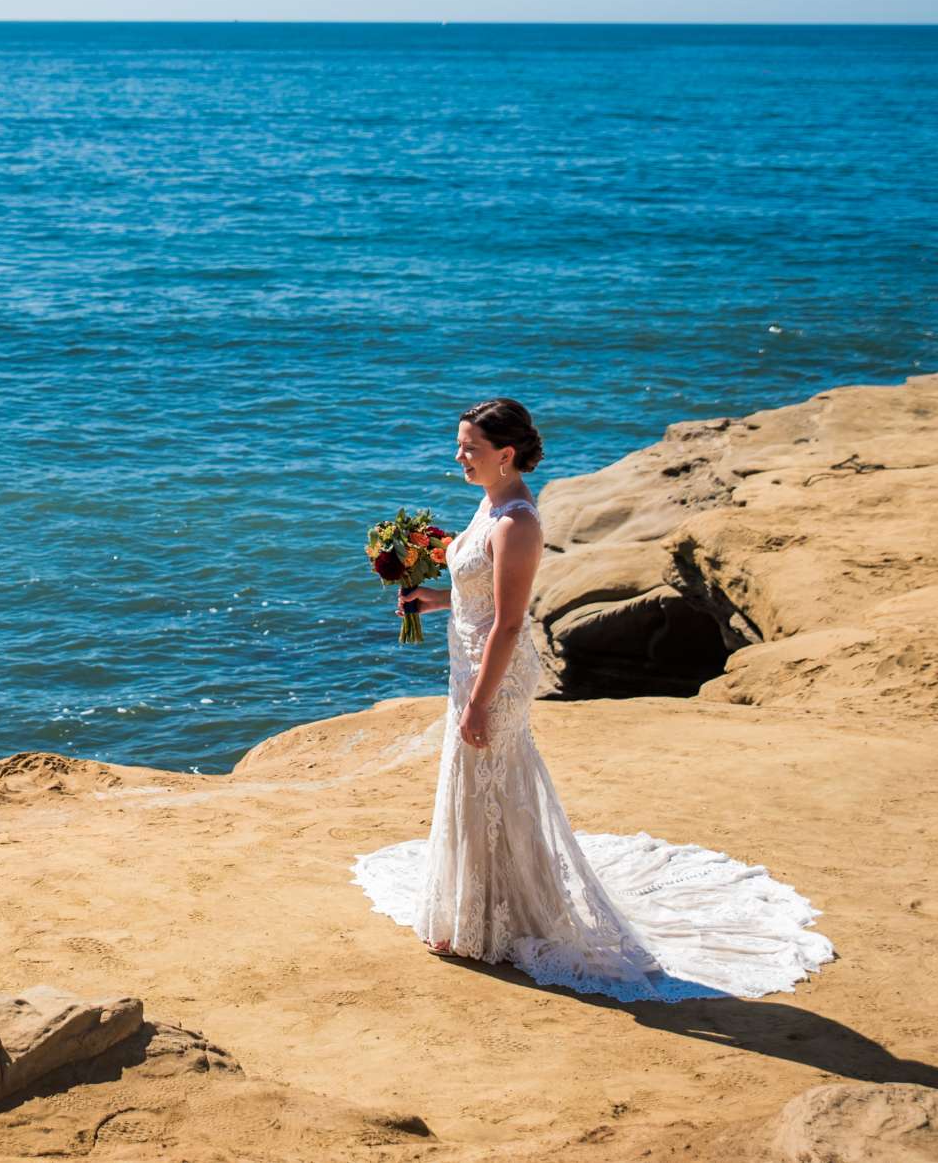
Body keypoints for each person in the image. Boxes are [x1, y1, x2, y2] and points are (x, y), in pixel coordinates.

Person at [353, 398, 834, 1001]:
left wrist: (479, 701)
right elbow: (478, 595)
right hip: (469, 662)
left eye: (470, 448)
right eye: (460, 445)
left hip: (494, 671)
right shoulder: (490, 503)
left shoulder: (518, 522)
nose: (459, 456)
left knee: (492, 777)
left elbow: (507, 623)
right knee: (476, 779)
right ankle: (476, 911)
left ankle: (504, 919)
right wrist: (435, 599)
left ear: (506, 454)